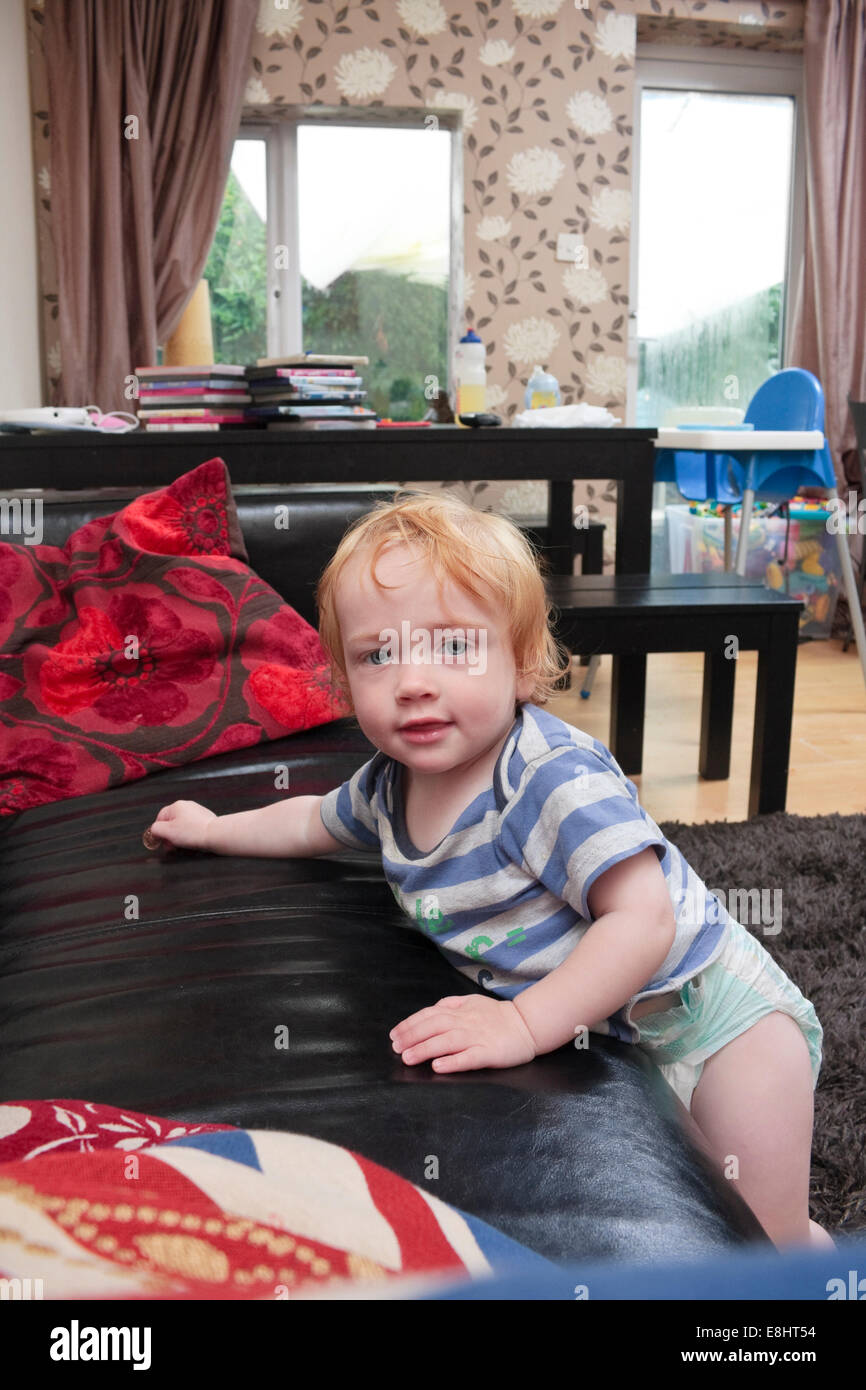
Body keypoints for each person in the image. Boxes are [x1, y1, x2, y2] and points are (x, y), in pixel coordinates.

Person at [145, 489, 832, 1252]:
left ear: (522, 664)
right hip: (625, 1031)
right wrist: (215, 829)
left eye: (452, 647)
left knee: (768, 1248)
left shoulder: (546, 778)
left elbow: (643, 918)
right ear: (343, 679)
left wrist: (523, 1021)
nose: (413, 681)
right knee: (714, 1210)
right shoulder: (385, 788)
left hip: (719, 1020)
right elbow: (308, 821)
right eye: (379, 655)